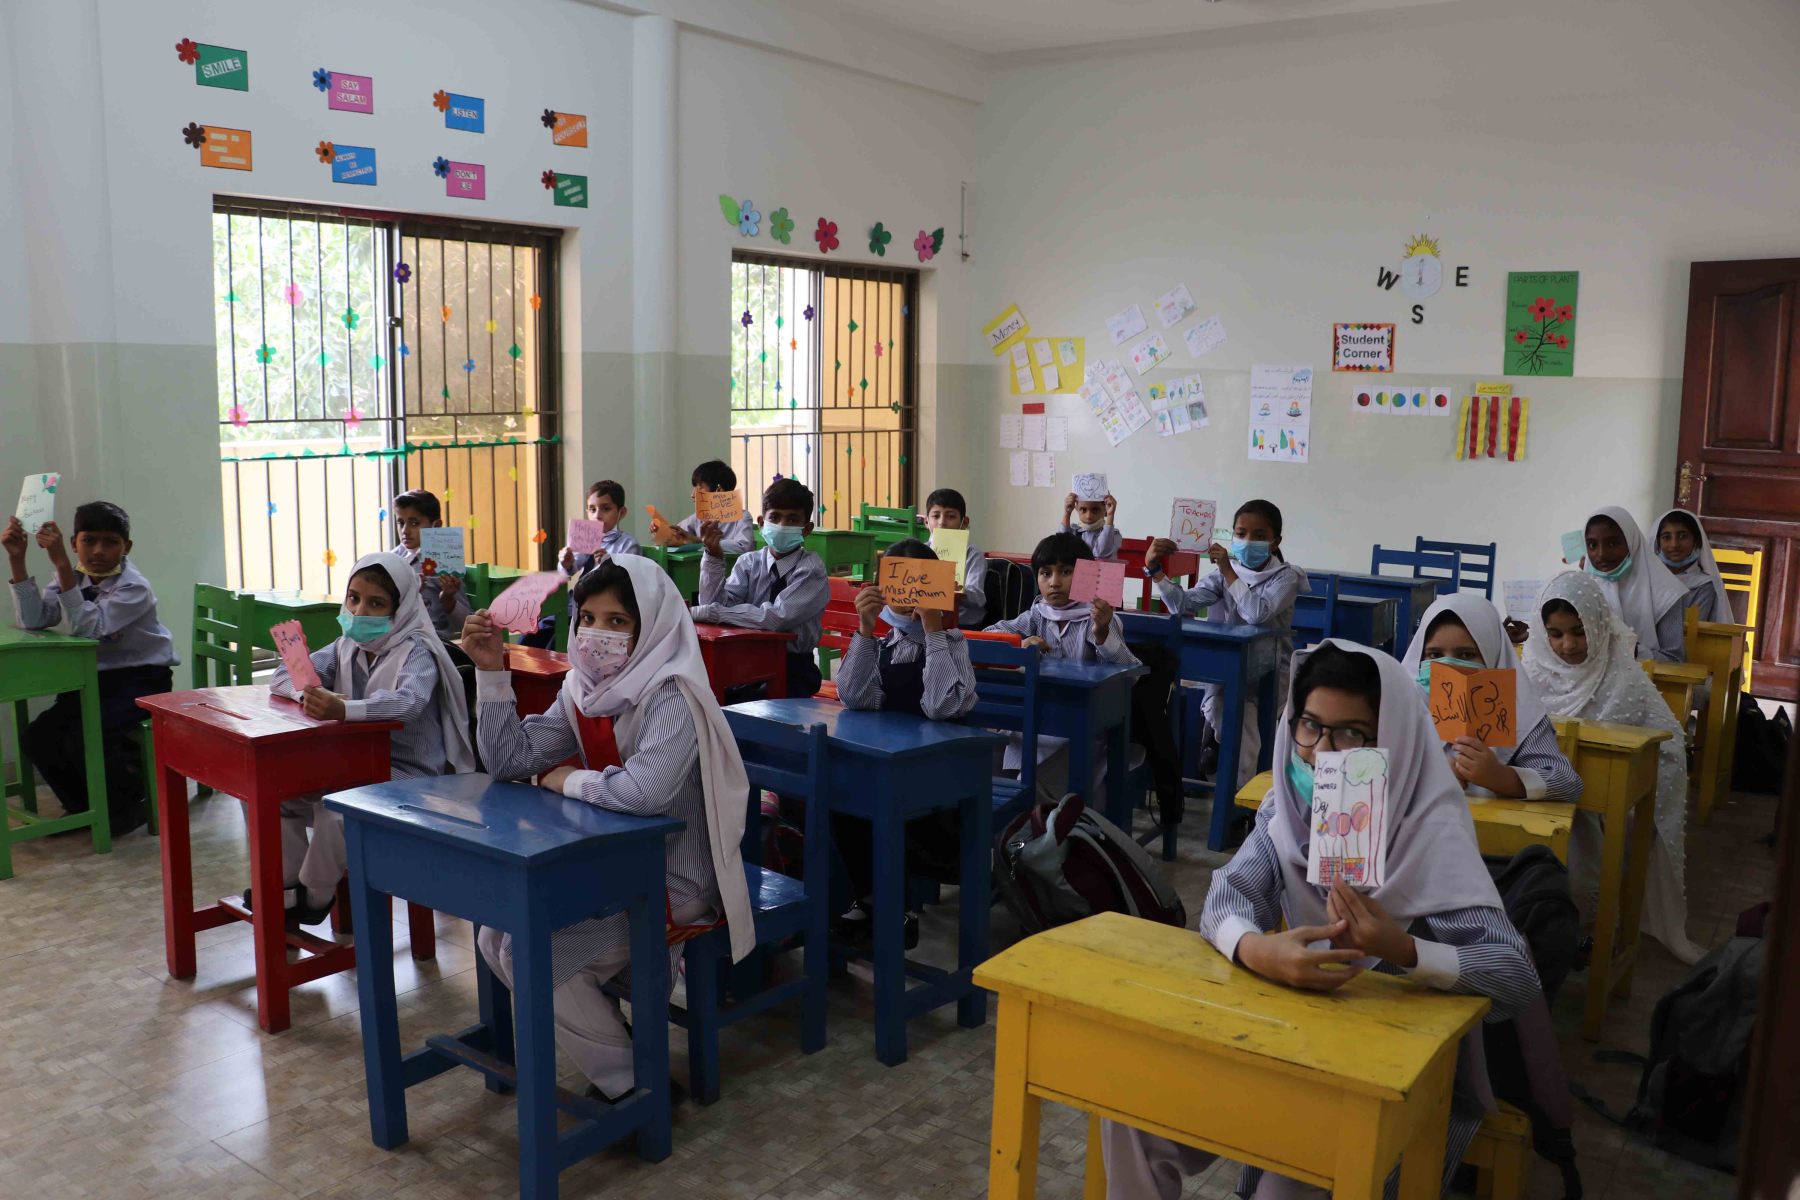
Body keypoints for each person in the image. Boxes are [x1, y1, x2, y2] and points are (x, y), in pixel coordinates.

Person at [1103, 641, 1542, 1199]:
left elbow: (1515, 976)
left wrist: (1403, 949)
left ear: (1396, 741)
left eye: (1352, 734)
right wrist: (1259, 950)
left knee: (1295, 1179)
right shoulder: (1288, 810)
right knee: (1130, 1108)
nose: (1323, 753)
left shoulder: (1431, 831)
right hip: (1288, 1044)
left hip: (1386, 1075)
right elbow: (1226, 897)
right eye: (1310, 726)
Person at [461, 555, 754, 1102]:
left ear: (651, 626)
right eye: (588, 618)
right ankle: (621, 1047)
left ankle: (635, 1087)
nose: (597, 634)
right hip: (609, 865)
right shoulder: (582, 688)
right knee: (494, 935)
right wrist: (491, 673)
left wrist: (567, 780)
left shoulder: (672, 692)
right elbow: (509, 760)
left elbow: (645, 793)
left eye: (617, 621)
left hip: (674, 880)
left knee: (532, 955)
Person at [268, 551, 474, 927]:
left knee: (335, 810)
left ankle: (315, 896)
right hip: (355, 767)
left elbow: (407, 703)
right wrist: (307, 694)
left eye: (376, 604)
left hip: (412, 777)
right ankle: (287, 887)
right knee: (278, 795)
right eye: (354, 598)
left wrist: (344, 709)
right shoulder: (346, 645)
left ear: (400, 609)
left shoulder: (417, 651)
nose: (359, 611)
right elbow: (284, 675)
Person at [1521, 572, 1705, 964]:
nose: (1568, 645)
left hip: (1605, 804)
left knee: (1585, 834)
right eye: (1555, 634)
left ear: (1599, 625)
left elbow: (1669, 745)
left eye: (1579, 632)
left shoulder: (1622, 677)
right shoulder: (1531, 672)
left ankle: (1583, 933)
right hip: (1538, 798)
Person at [832, 539, 978, 947]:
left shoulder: (953, 644)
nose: (909, 591)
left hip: (941, 785)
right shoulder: (885, 644)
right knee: (834, 799)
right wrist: (865, 629)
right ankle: (868, 903)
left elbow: (941, 707)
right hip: (892, 774)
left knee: (872, 810)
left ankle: (890, 908)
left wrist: (933, 629)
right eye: (899, 580)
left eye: (920, 581)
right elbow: (854, 698)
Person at [5, 502, 176, 836]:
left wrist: (61, 564)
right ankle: (86, 808)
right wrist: (17, 559)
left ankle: (127, 806)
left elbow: (91, 629)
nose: (98, 551)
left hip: (142, 678)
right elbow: (34, 620)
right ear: (74, 543)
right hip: (95, 678)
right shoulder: (75, 576)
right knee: (38, 738)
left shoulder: (134, 587)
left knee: (85, 737)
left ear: (126, 547)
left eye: (110, 542)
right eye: (89, 540)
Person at [1144, 499, 1307, 786]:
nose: (1248, 541)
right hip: (1227, 671)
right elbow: (1182, 604)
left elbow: (1257, 613)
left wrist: (1228, 571)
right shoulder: (1223, 574)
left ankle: (1236, 790)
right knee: (1236, 728)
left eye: (1259, 535)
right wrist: (1155, 570)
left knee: (1246, 734)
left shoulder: (1286, 577)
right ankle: (1230, 787)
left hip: (1269, 675)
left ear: (1275, 541)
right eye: (1241, 534)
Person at [985, 532, 1138, 798]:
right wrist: (1019, 644)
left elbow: (1129, 675)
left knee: (1040, 790)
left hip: (1083, 725)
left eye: (1066, 572)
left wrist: (1103, 634)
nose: (1054, 582)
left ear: (1087, 575)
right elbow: (988, 635)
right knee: (991, 765)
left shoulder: (1100, 618)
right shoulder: (1037, 615)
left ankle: (1045, 812)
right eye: (1046, 573)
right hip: (1037, 718)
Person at [1400, 593, 1581, 803]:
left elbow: (1568, 784)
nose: (1448, 667)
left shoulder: (1520, 712)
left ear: (1494, 656)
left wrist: (1501, 777)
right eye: (1434, 655)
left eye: (1466, 655)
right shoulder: (1400, 706)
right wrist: (1426, 774)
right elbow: (1369, 768)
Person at [690, 476, 829, 698]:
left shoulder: (811, 570)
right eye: (775, 517)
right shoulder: (749, 562)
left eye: (793, 519)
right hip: (745, 659)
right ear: (762, 522)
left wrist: (714, 613)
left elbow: (776, 618)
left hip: (793, 667)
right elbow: (713, 603)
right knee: (707, 694)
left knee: (755, 701)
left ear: (806, 529)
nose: (782, 525)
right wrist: (713, 555)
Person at [1580, 506, 1687, 661]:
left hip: (1647, 675)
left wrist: (1628, 647)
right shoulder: (1582, 588)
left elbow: (1674, 660)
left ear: (1632, 542)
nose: (1601, 554)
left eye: (1612, 544)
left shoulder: (1666, 593)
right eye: (1592, 545)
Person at [390, 488, 470, 642]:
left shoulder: (445, 562)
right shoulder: (392, 560)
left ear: (436, 525)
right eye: (401, 523)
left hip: (434, 642)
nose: (405, 531)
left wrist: (448, 599)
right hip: (397, 639)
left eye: (414, 523)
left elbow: (466, 622)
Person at [921, 487, 987, 629]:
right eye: (936, 516)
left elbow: (978, 598)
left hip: (963, 624)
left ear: (964, 522)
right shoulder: (920, 551)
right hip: (926, 622)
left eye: (951, 516)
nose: (942, 522)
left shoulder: (973, 554)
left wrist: (958, 590)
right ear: (926, 522)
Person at [1653, 507, 1731, 625]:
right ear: (1657, 543)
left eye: (1682, 536)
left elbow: (1689, 629)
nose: (1674, 545)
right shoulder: (1649, 580)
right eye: (1666, 537)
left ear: (1696, 541)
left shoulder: (1705, 586)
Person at [671, 459, 757, 554]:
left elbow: (744, 546)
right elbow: (677, 532)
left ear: (718, 490)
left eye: (699, 488)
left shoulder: (742, 516)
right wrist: (665, 532)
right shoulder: (698, 517)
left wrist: (702, 542)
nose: (692, 494)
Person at [1060, 490, 1121, 561]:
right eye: (1083, 510)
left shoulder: (1114, 535)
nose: (1088, 516)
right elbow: (1061, 547)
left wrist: (1110, 515)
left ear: (1105, 509)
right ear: (1076, 508)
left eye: (1095, 510)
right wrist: (1067, 513)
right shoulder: (1073, 531)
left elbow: (1100, 554)